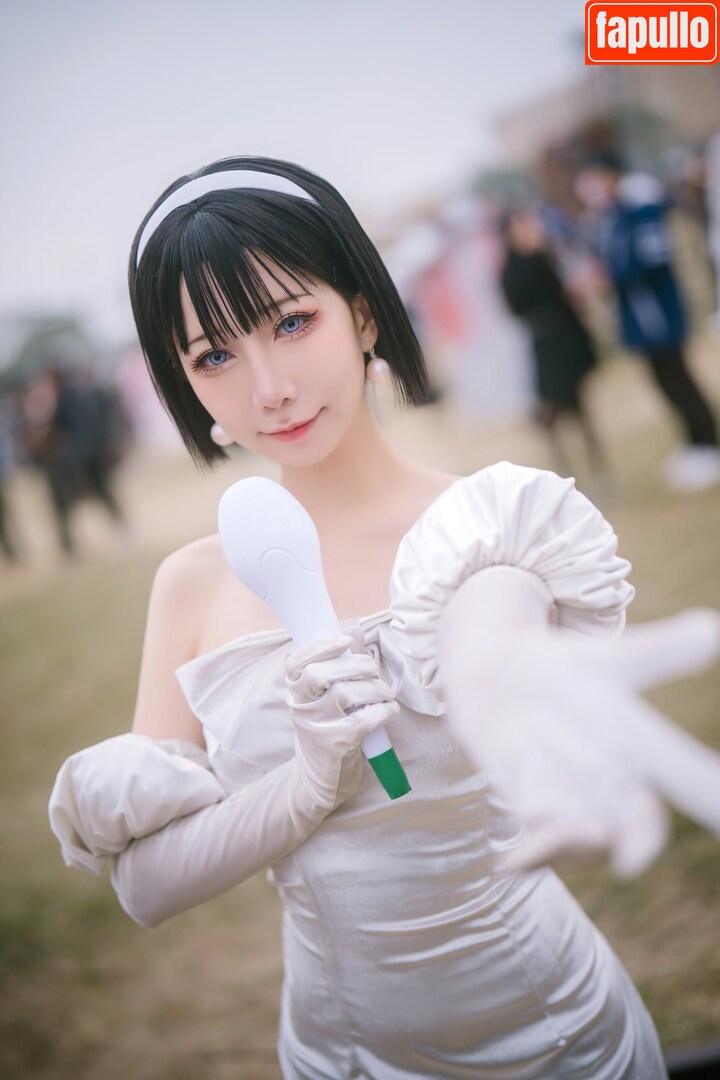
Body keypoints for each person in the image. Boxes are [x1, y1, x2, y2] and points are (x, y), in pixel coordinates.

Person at [48, 157, 720, 1079]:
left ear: (363, 314)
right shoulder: (192, 586)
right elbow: (146, 885)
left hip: (563, 1042)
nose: (269, 387)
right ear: (185, 385)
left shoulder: (485, 527)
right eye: (213, 356)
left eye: (292, 322)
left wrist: (502, 682)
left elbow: (488, 634)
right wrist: (306, 785)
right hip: (336, 1057)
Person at [575, 154, 720, 493]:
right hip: (638, 320)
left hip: (659, 315)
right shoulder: (612, 219)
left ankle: (710, 444)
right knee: (664, 383)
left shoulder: (642, 212)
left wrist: (610, 277)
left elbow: (653, 260)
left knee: (680, 379)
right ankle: (694, 444)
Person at [499, 206, 611, 485]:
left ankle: (599, 471)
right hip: (545, 343)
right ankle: (565, 475)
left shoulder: (543, 256)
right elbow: (516, 306)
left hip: (565, 338)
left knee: (580, 410)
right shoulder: (511, 270)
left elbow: (565, 295)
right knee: (550, 412)